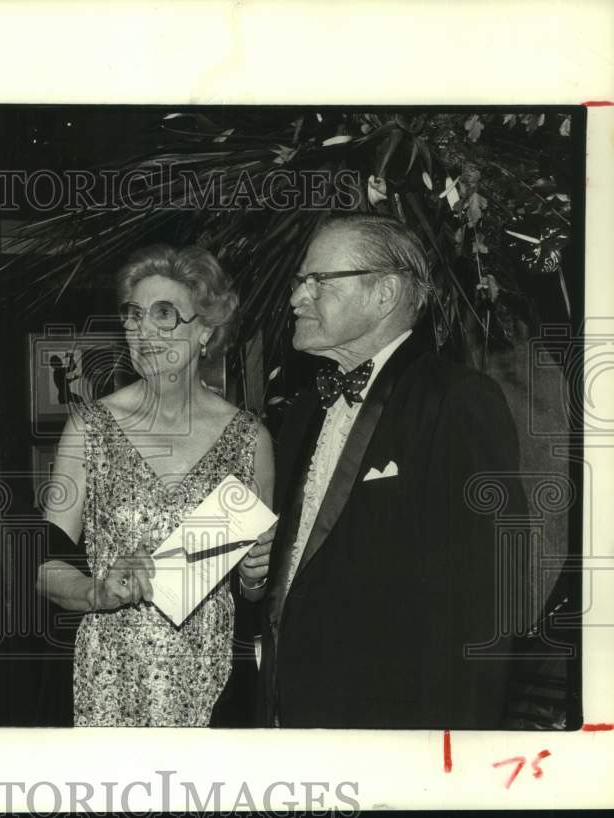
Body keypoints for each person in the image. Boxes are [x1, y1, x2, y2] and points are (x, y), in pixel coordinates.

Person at [255, 213, 526, 729]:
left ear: (384, 294)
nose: (296, 298)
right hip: (291, 714)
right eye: (298, 281)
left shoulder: (457, 400)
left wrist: (452, 761)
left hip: (390, 726)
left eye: (318, 281)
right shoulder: (307, 407)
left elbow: (483, 608)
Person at [36, 244, 275, 727]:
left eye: (164, 315)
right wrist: (94, 591)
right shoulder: (90, 427)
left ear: (206, 328)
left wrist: (254, 575)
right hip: (107, 679)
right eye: (133, 315)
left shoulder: (250, 439)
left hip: (216, 682)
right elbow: (43, 567)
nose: (143, 330)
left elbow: (252, 593)